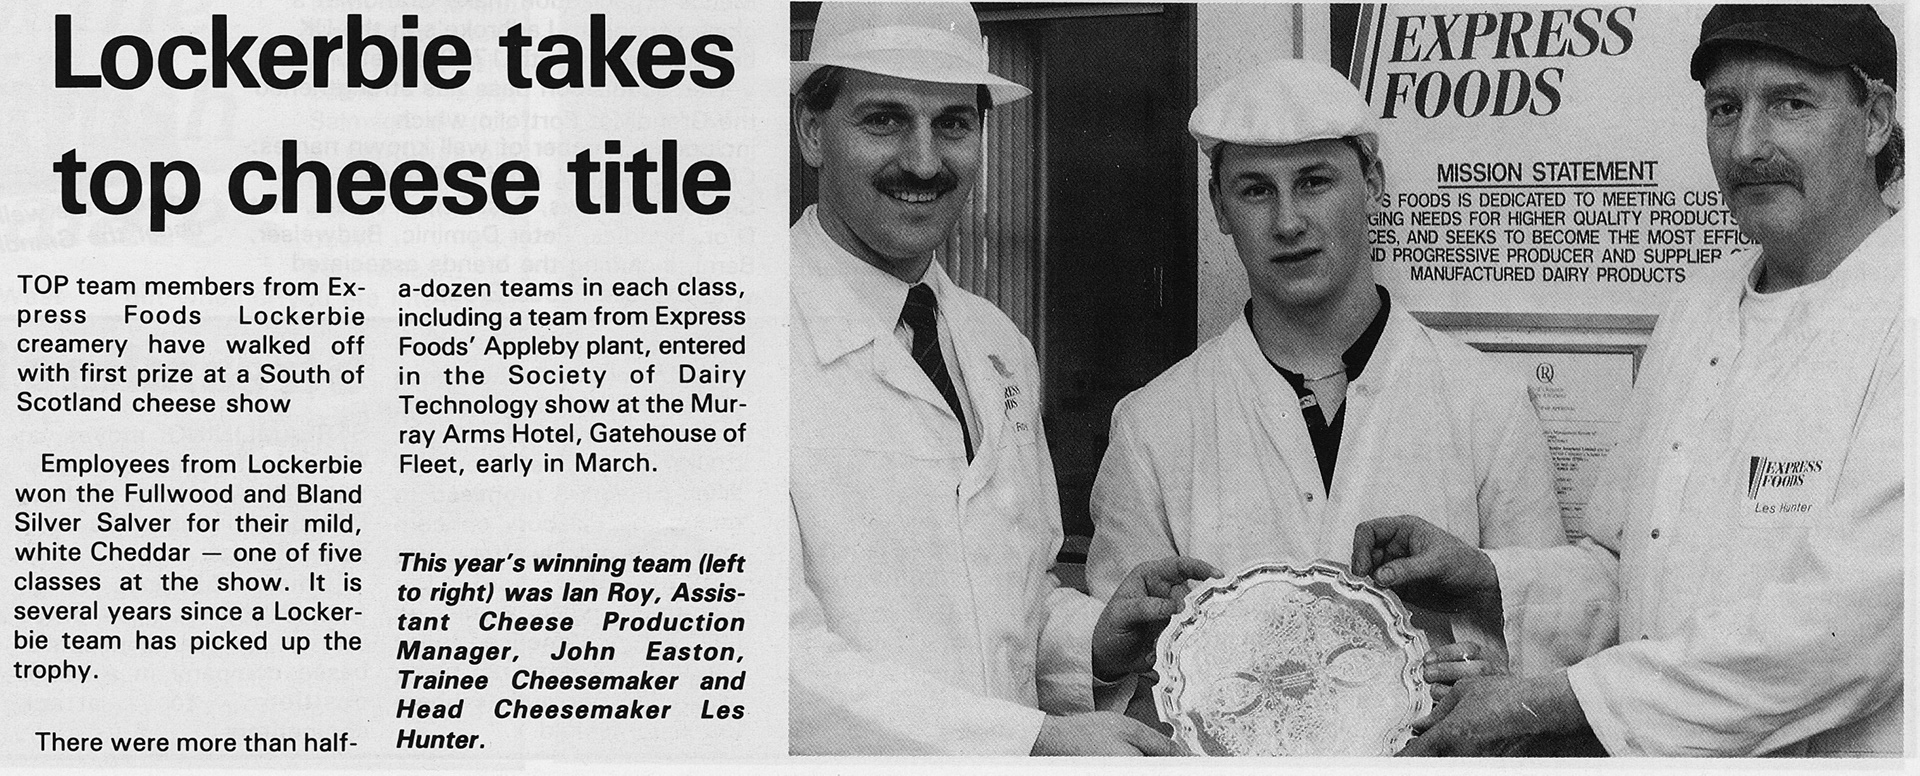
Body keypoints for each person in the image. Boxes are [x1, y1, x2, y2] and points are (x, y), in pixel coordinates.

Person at [1352, 4, 1903, 757]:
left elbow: (1852, 635)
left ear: (1874, 118)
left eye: (1789, 103)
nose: (1747, 145)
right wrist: (1484, 578)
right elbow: (1628, 567)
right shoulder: (1698, 307)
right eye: (1724, 109)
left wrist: (1544, 703)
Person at [788, 2, 1213, 755]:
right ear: (813, 132)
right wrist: (1032, 742)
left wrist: (1094, 641)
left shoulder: (995, 344)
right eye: (884, 120)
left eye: (953, 123)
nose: (923, 162)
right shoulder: (732, 340)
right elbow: (766, 664)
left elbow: (1007, 597)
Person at [1086, 59, 1563, 682]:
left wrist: (1494, 676)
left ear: (1372, 184)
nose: (1287, 222)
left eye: (1314, 181)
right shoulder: (1151, 426)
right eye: (1256, 189)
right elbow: (1122, 683)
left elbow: (1549, 636)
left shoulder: (1488, 402)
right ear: (1220, 209)